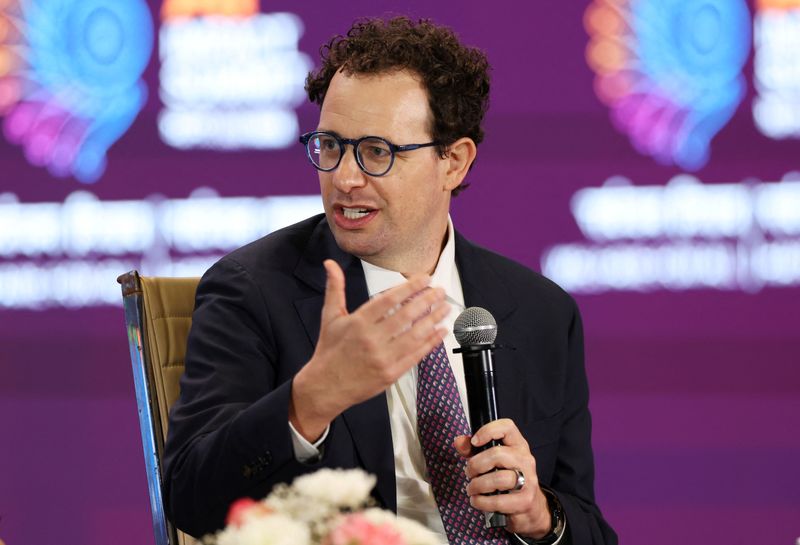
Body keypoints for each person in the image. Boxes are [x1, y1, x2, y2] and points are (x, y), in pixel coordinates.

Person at [163, 16, 617, 545]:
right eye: (330, 145)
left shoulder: (540, 311)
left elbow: (588, 526)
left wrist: (541, 515)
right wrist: (309, 401)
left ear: (454, 161)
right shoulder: (254, 290)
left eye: (378, 151)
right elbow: (190, 499)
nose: (344, 178)